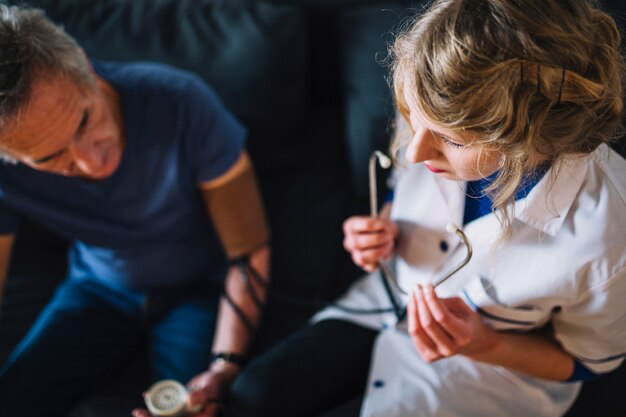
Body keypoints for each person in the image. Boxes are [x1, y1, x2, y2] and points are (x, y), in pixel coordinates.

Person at [226, 1, 626, 416]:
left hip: (484, 370)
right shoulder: (435, 111)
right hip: (381, 302)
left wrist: (487, 344)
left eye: (452, 140)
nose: (416, 152)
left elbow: (589, 359)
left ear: (530, 135)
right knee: (252, 395)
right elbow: (402, 192)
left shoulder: (610, 233)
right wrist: (382, 230)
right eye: (413, 120)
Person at [0, 5, 270, 417]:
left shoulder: (181, 103)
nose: (91, 163)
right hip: (96, 290)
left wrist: (224, 367)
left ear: (87, 69)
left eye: (84, 121)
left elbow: (248, 251)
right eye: (50, 158)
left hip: (196, 291)